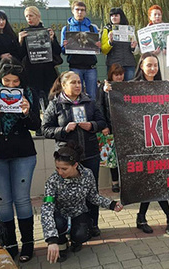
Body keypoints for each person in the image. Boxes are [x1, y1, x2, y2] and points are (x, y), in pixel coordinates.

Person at [0, 57, 40, 262]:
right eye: (7, 82)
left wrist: (27, 112)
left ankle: (28, 245)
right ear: (0, 79)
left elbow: (35, 125)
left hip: (23, 152)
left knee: (22, 199)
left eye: (16, 82)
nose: (12, 85)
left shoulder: (29, 92)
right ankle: (11, 245)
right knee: (3, 201)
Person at [42, 71, 106, 237]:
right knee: (67, 192)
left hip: (90, 153)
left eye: (79, 82)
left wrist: (91, 125)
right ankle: (69, 226)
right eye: (74, 83)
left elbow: (102, 122)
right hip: (67, 158)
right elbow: (45, 129)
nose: (78, 85)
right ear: (64, 86)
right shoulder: (55, 104)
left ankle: (93, 223)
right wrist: (63, 130)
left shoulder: (89, 101)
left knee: (92, 191)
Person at [42, 143, 123, 263]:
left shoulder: (87, 174)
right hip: (60, 213)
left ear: (75, 165)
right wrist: (52, 240)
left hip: (79, 212)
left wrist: (111, 204)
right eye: (57, 168)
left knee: (81, 234)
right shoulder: (53, 180)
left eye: (64, 169)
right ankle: (61, 243)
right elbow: (47, 208)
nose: (60, 172)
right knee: (58, 224)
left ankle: (75, 240)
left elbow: (93, 196)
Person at [131, 53, 169, 235]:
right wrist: (108, 90)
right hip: (140, 142)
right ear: (141, 66)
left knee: (156, 180)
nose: (152, 69)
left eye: (155, 65)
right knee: (151, 180)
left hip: (160, 141)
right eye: (149, 65)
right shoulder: (132, 87)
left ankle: (144, 217)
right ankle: (168, 215)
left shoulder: (161, 86)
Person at [18, 6, 61, 112]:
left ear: (38, 16)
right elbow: (19, 55)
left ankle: (50, 124)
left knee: (50, 100)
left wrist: (52, 39)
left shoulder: (47, 31)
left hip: (47, 72)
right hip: (31, 72)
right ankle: (37, 127)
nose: (29, 18)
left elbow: (57, 51)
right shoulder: (24, 32)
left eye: (31, 15)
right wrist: (20, 41)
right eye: (27, 16)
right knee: (34, 102)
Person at [61, 1, 101, 99]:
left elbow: (97, 50)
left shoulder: (92, 28)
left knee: (92, 96)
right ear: (72, 11)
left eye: (82, 10)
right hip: (75, 67)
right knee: (75, 94)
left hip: (90, 67)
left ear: (85, 12)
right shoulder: (66, 28)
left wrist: (98, 46)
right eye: (77, 10)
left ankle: (92, 114)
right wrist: (64, 46)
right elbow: (62, 51)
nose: (80, 12)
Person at [97, 63, 124, 192]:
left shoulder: (125, 86)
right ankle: (115, 182)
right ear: (111, 75)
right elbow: (99, 106)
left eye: (121, 74)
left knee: (124, 156)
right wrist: (104, 125)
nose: (119, 77)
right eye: (116, 75)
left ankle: (125, 181)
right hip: (110, 126)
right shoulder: (104, 87)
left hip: (124, 127)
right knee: (112, 157)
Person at [101, 7, 138, 81]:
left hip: (129, 64)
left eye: (116, 15)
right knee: (114, 88)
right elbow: (104, 50)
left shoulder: (129, 29)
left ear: (121, 16)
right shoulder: (107, 29)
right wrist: (110, 42)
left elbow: (136, 51)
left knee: (129, 88)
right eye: (112, 16)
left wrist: (133, 47)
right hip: (113, 65)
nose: (114, 17)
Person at [146, 5, 169, 80]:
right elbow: (142, 49)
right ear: (150, 17)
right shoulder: (145, 31)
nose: (157, 16)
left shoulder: (168, 29)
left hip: (166, 58)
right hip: (154, 59)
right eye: (155, 14)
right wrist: (151, 53)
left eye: (159, 14)